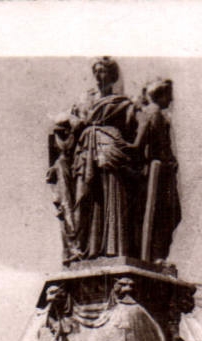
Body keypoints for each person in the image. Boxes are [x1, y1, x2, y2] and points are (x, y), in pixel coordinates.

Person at [52, 57, 139, 262]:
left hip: (110, 148)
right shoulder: (84, 101)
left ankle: (112, 248)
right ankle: (84, 248)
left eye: (103, 72)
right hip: (84, 150)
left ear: (112, 75)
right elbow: (64, 128)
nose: (99, 76)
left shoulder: (123, 103)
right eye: (96, 72)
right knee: (85, 197)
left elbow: (133, 129)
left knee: (111, 195)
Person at [130, 78, 180, 263]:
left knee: (167, 213)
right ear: (159, 94)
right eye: (169, 95)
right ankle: (156, 256)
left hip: (163, 171)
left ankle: (157, 255)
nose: (171, 100)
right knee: (164, 213)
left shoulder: (155, 113)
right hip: (158, 173)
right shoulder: (153, 113)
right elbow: (139, 144)